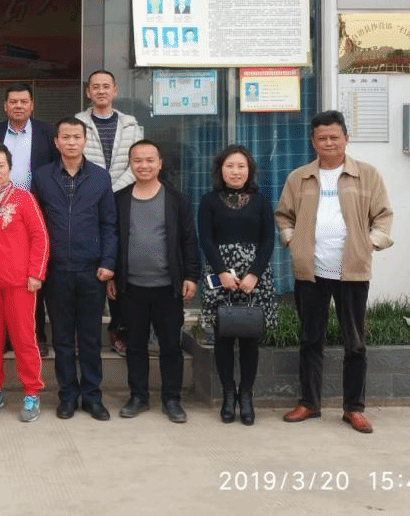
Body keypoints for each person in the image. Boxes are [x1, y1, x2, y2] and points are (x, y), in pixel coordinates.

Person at [276, 110, 393, 434]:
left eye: (334, 137)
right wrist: (293, 240)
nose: (328, 143)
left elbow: (383, 215)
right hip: (310, 272)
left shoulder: (367, 175)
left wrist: (369, 244)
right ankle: (309, 403)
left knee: (354, 343)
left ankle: (354, 408)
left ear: (346, 138)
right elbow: (284, 215)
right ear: (313, 142)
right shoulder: (299, 178)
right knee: (310, 339)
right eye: (322, 138)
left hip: (352, 271)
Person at [32, 117, 117, 421]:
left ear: (85, 141)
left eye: (76, 137)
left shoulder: (100, 177)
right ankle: (67, 396)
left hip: (91, 271)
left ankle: (93, 397)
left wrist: (108, 262)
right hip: (56, 271)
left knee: (91, 338)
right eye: (65, 137)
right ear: (56, 142)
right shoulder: (42, 176)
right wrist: (38, 266)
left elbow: (109, 224)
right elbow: (36, 225)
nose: (71, 142)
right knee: (63, 339)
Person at [113, 139, 198, 424]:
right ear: (130, 164)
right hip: (131, 288)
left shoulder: (175, 199)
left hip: (167, 288)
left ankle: (172, 399)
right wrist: (112, 276)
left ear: (160, 164)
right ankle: (138, 396)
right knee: (135, 345)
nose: (144, 165)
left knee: (170, 346)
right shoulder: (120, 199)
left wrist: (190, 276)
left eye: (150, 160)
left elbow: (189, 240)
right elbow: (113, 240)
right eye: (138, 160)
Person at [197, 145, 277, 426]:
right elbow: (206, 239)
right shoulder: (209, 201)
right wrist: (222, 273)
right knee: (223, 337)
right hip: (221, 275)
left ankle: (246, 395)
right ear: (220, 170)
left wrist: (254, 274)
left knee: (249, 338)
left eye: (241, 166)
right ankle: (228, 394)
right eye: (230, 166)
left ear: (249, 170)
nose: (235, 171)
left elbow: (268, 240)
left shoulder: (261, 202)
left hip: (254, 277)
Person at [0, 82, 57, 356]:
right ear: (5, 106)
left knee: (31, 276)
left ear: (32, 105)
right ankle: (3, 337)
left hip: (34, 208)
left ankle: (37, 334)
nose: (19, 106)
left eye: (24, 101)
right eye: (13, 101)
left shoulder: (47, 132)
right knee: (1, 276)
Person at [0, 143, 49, 422]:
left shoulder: (24, 198)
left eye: (1, 165)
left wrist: (36, 273)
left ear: (9, 169)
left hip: (20, 282)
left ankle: (32, 391)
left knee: (23, 338)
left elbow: (40, 236)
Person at [76, 70, 144, 356]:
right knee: (89, 263)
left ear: (115, 90)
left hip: (123, 199)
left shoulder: (130, 124)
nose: (101, 91)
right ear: (88, 92)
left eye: (106, 86)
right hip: (87, 202)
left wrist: (111, 189)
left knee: (119, 263)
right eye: (96, 87)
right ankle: (82, 331)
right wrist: (99, 191)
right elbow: (74, 159)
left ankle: (119, 327)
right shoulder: (78, 123)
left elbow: (137, 162)